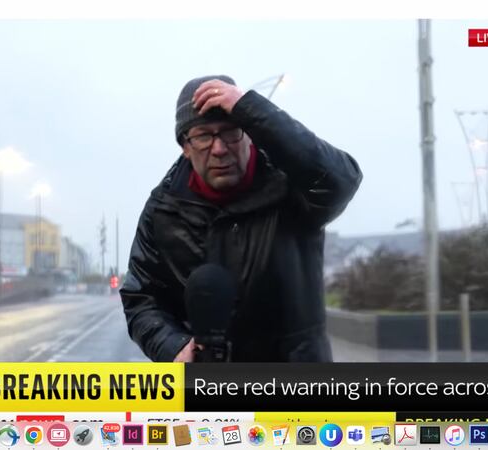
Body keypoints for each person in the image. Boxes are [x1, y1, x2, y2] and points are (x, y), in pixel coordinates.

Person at [120, 75, 362, 362]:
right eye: (203, 136)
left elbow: (341, 181)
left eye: (231, 131)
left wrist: (250, 107)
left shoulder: (291, 187)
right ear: (185, 147)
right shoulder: (162, 210)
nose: (219, 149)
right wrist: (173, 347)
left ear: (249, 134)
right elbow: (142, 296)